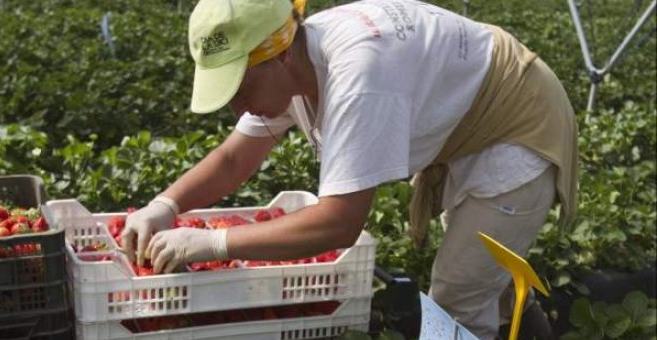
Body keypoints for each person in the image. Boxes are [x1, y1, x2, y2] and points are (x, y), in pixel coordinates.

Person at [120, 0, 578, 338]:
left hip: (515, 124)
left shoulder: (359, 80)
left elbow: (339, 223)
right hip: (466, 116)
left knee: (457, 297)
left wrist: (212, 242)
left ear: (279, 54)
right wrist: (165, 205)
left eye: (239, 85)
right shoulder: (293, 63)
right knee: (484, 277)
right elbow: (234, 157)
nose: (236, 104)